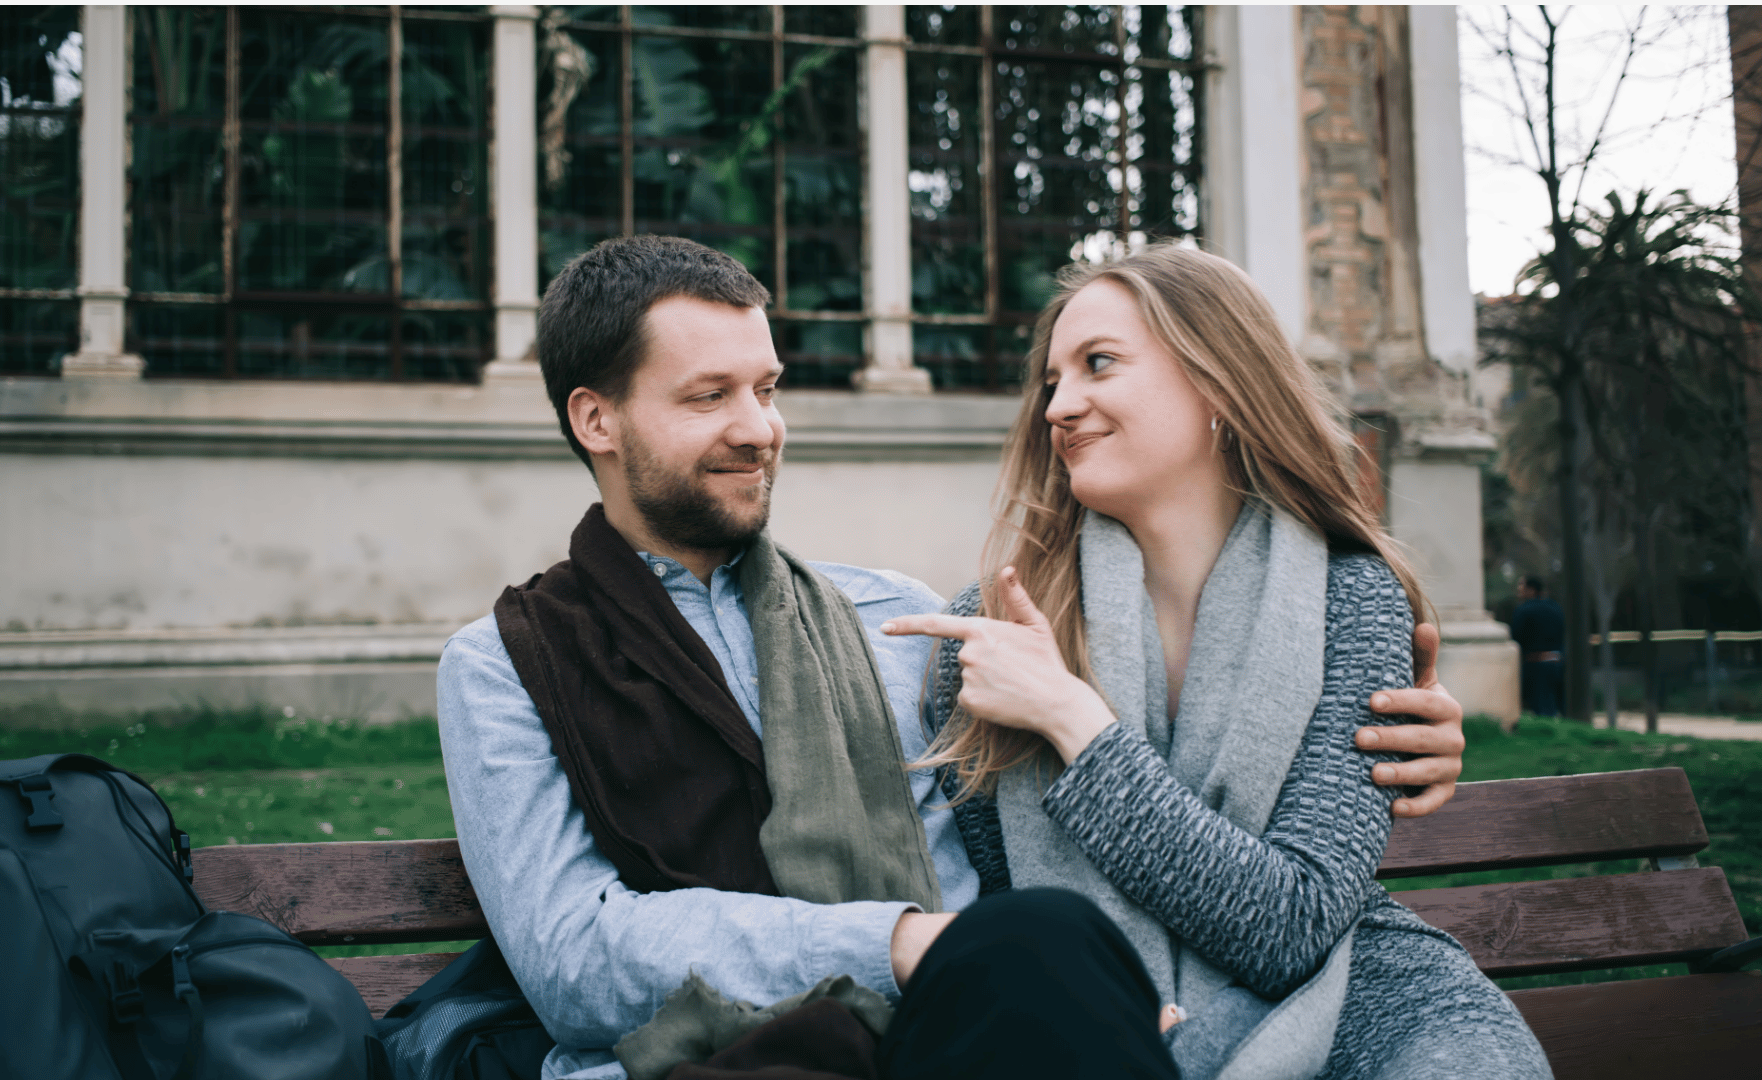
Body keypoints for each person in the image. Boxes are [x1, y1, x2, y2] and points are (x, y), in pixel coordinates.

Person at [436, 236, 1469, 1080]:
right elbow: (571, 959)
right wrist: (897, 943)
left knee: (1041, 950)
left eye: (768, 388)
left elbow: (1090, 830)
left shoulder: (907, 624)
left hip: (957, 1041)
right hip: (708, 1057)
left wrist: (1389, 748)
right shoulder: (501, 668)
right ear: (596, 418)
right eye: (711, 397)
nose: (761, 430)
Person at [882, 246, 1549, 1079]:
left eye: (1098, 365)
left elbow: (1290, 928)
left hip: (1357, 1000)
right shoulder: (990, 634)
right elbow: (1008, 923)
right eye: (1052, 380)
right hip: (1095, 1004)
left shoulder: (1355, 600)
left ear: (1219, 386)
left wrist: (1071, 718)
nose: (1060, 405)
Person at [1510, 575, 1566, 717]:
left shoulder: (1524, 610)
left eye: (1521, 587)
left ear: (1531, 590)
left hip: (1536, 664)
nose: (1519, 591)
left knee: (1541, 709)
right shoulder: (1556, 607)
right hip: (1557, 662)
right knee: (1557, 707)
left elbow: (1516, 637)